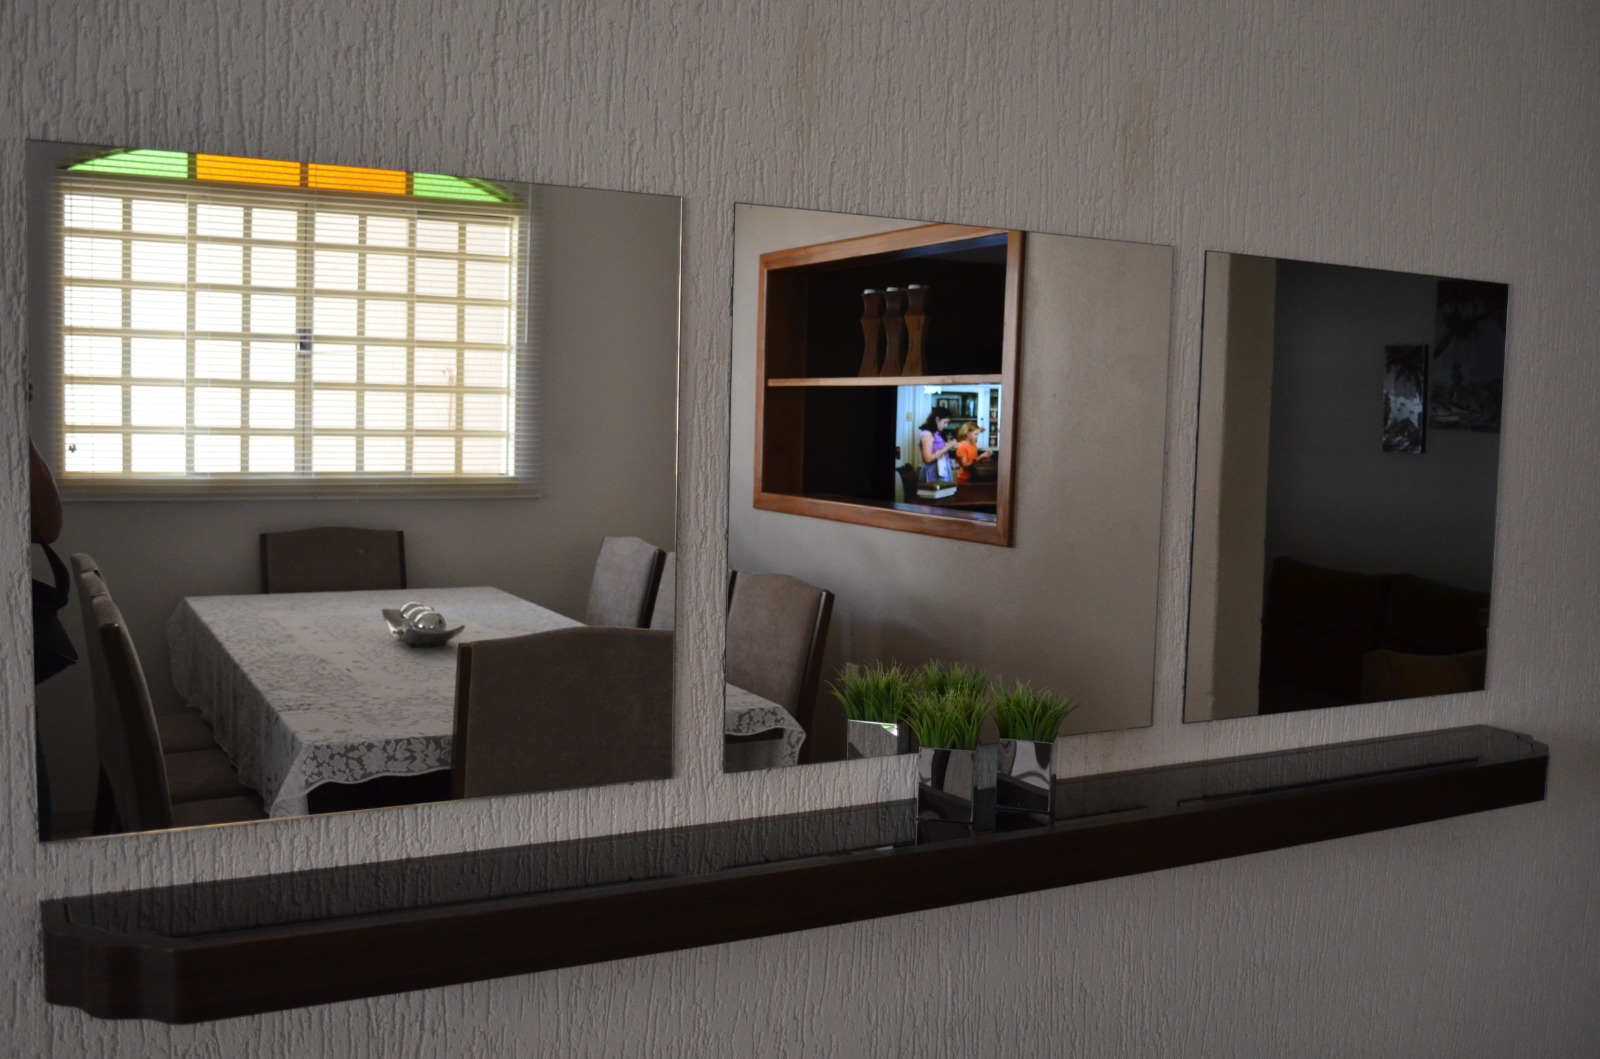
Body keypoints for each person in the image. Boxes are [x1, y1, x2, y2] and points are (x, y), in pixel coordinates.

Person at [916, 411, 958, 483]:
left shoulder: (935, 433)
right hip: (933, 472)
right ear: (937, 419)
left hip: (939, 470)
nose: (946, 425)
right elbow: (927, 459)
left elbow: (936, 449)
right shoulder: (927, 434)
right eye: (945, 422)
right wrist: (948, 447)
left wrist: (947, 445)